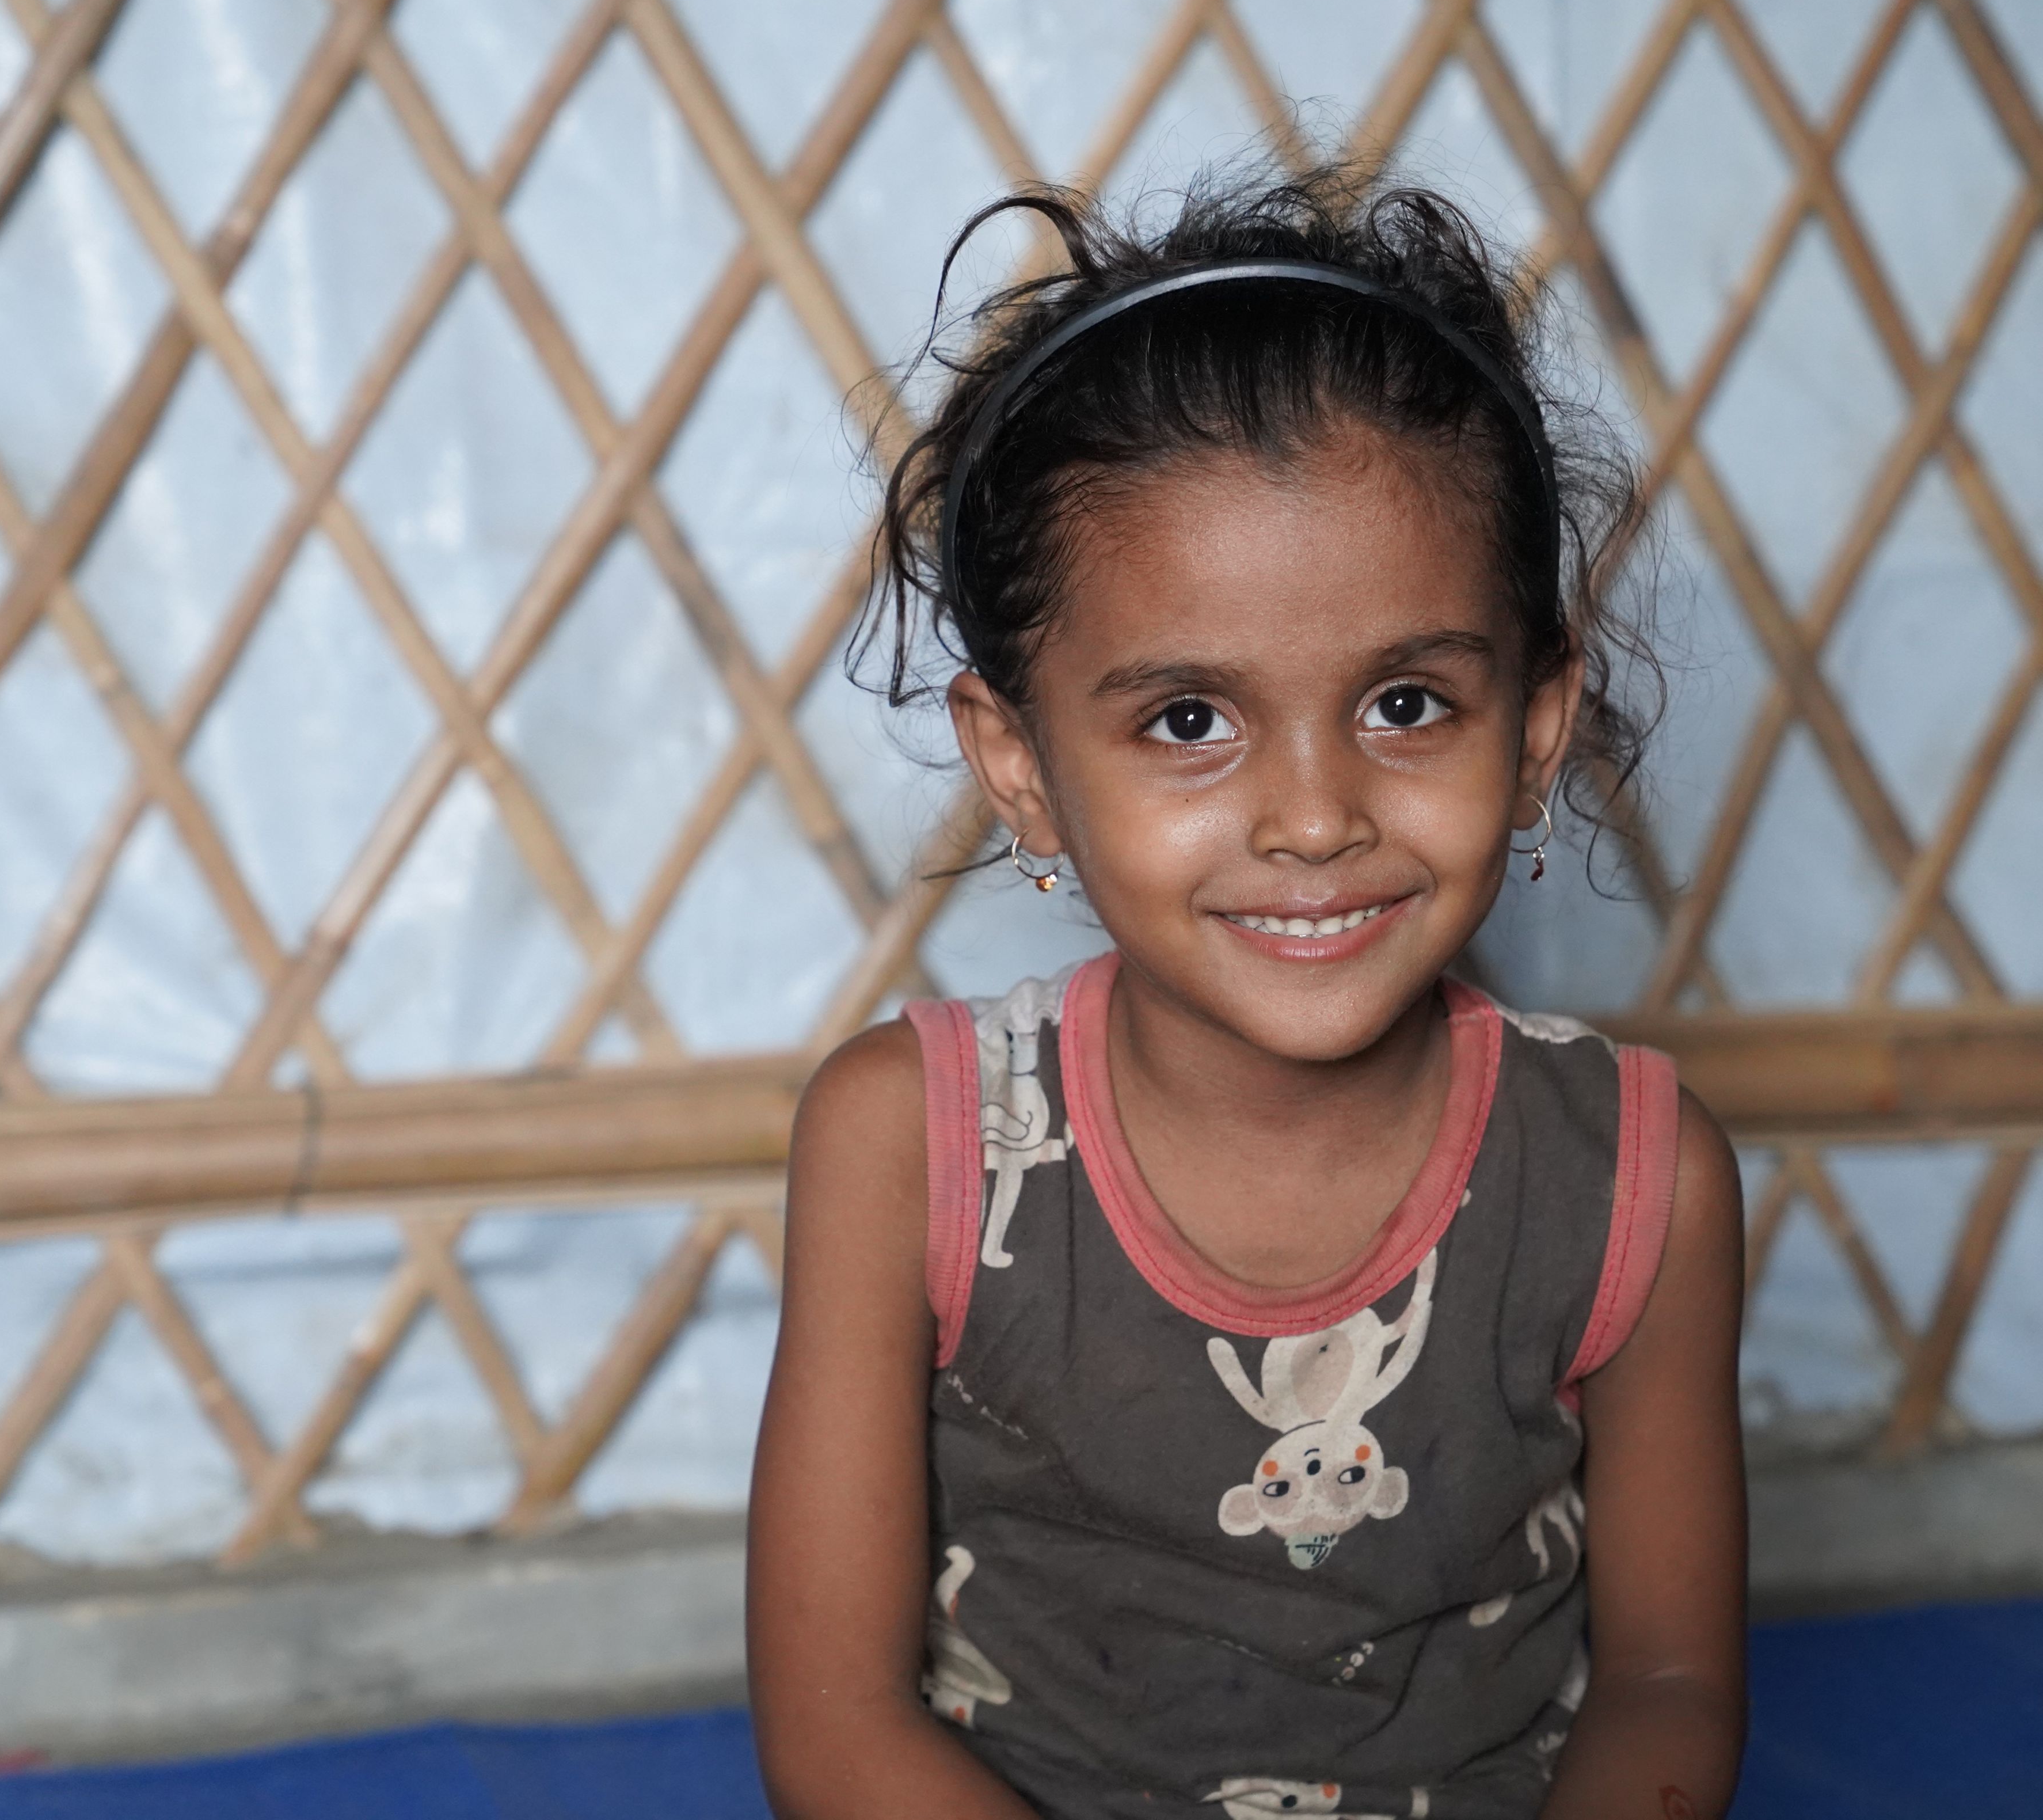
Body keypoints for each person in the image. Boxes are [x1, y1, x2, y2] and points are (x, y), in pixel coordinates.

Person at [745, 166, 1745, 1820]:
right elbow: (840, 1727)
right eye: (1189, 722)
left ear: (1536, 730)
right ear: (1022, 765)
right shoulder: (908, 1151)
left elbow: (1668, 1687)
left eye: (1407, 703)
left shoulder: (1633, 1178)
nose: (1314, 817)